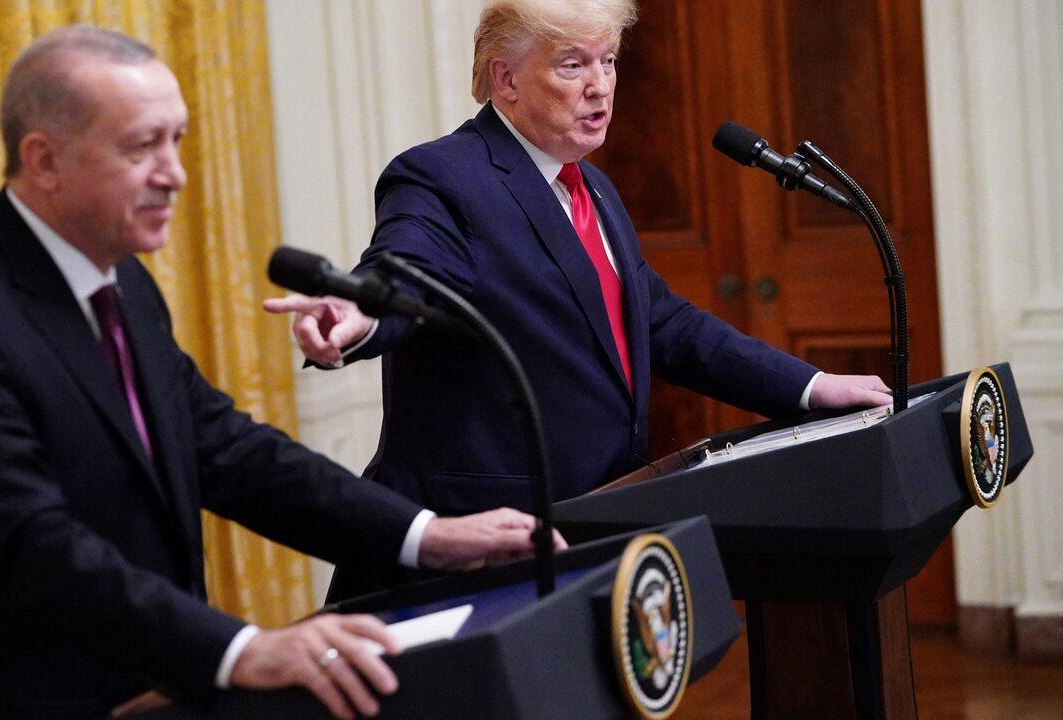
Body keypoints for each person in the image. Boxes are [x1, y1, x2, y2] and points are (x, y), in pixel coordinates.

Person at [0, 25, 556, 720]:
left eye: (176, 140)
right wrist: (241, 650)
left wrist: (425, 536)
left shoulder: (126, 285)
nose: (174, 172)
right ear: (44, 160)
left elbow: (227, 452)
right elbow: (33, 549)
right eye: (144, 146)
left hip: (153, 691)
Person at [264, 0, 892, 599]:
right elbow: (409, 267)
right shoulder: (443, 176)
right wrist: (359, 313)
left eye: (609, 60)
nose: (600, 85)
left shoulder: (593, 188)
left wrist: (810, 386)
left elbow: (662, 323)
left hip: (600, 523)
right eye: (573, 64)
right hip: (484, 547)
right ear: (505, 80)